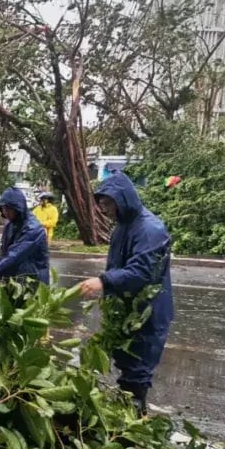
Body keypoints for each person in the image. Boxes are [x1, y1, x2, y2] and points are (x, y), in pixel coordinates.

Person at [76, 172, 174, 416]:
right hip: (125, 311)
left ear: (123, 199)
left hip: (147, 314)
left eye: (108, 203)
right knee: (125, 363)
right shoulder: (122, 227)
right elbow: (117, 265)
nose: (104, 209)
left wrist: (103, 282)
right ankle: (128, 419)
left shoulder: (150, 229)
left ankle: (136, 425)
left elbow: (142, 272)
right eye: (102, 204)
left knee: (137, 372)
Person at [0, 187, 49, 287]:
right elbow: (4, 253)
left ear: (18, 208)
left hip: (34, 281)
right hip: (16, 280)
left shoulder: (33, 229)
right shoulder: (10, 225)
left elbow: (15, 256)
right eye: (4, 208)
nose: (5, 212)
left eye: (9, 209)